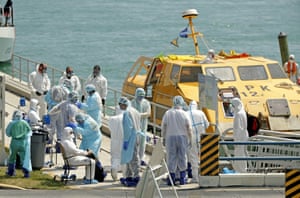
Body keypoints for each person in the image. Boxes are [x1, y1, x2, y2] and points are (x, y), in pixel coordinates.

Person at [161, 95, 192, 185]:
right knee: (182, 156)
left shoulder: (168, 113)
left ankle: (171, 178)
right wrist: (191, 139)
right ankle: (182, 178)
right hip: (182, 137)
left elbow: (164, 127)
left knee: (171, 157)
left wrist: (163, 138)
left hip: (170, 137)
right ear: (182, 103)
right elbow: (189, 128)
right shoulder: (184, 113)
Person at [116, 97, 141, 187]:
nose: (120, 106)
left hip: (131, 137)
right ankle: (129, 176)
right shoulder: (135, 111)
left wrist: (126, 140)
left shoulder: (127, 113)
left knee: (132, 158)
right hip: (137, 135)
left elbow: (127, 128)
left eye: (120, 105)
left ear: (123, 104)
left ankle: (136, 177)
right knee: (130, 157)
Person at [186, 100, 209, 183]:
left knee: (193, 157)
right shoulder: (201, 113)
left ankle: (195, 177)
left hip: (191, 138)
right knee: (204, 155)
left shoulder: (186, 113)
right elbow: (207, 124)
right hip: (201, 136)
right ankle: (205, 175)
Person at [6, 110, 32, 178]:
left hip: (14, 142)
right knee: (23, 158)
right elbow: (29, 131)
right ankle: (26, 173)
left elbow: (7, 133)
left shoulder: (12, 123)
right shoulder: (24, 122)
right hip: (23, 142)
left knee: (12, 157)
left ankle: (11, 172)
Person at [131, 88, 151, 166]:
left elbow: (148, 113)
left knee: (142, 142)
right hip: (134, 125)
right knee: (135, 143)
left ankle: (141, 158)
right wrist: (140, 115)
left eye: (142, 96)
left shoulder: (146, 103)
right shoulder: (132, 103)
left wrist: (139, 115)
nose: (141, 97)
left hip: (143, 125)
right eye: (139, 96)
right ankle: (135, 159)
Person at [231, 97, 249, 173]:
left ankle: (240, 170)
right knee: (242, 153)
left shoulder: (238, 114)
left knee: (239, 154)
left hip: (240, 137)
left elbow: (238, 128)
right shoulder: (243, 112)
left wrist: (236, 140)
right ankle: (243, 169)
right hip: (244, 136)